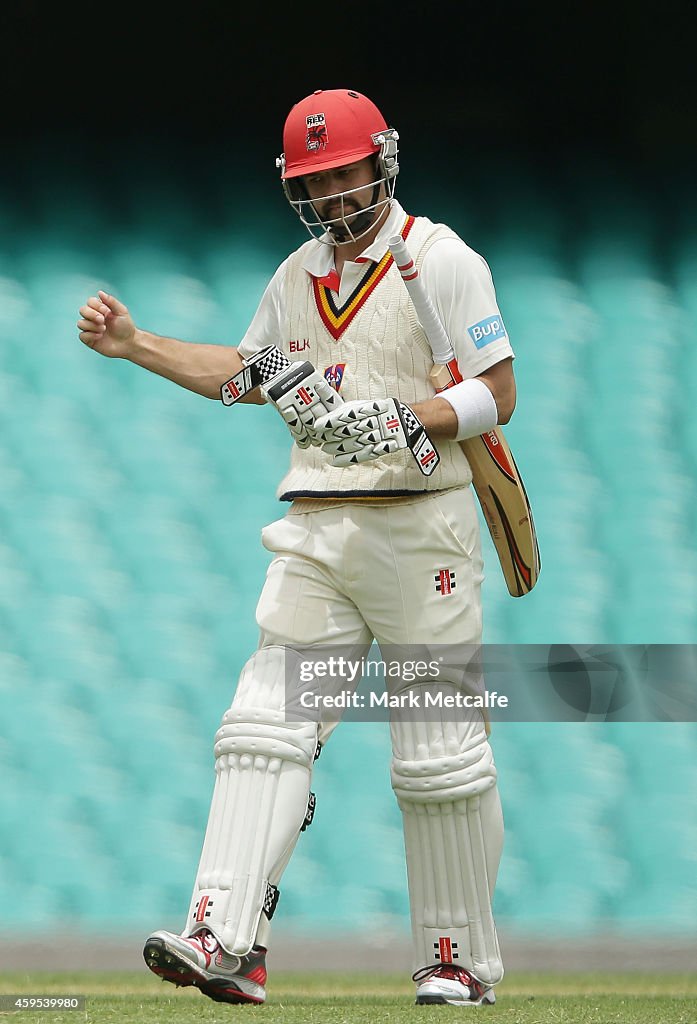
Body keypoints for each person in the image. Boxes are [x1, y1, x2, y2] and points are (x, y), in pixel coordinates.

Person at [77, 87, 516, 1007]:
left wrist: (405, 419)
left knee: (435, 756)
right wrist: (135, 344)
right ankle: (225, 939)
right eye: (313, 182)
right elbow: (245, 373)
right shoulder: (293, 277)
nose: (331, 197)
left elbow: (497, 396)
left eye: (344, 173)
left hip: (420, 523)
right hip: (316, 529)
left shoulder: (440, 262)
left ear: (381, 164)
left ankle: (457, 957)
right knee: (260, 730)